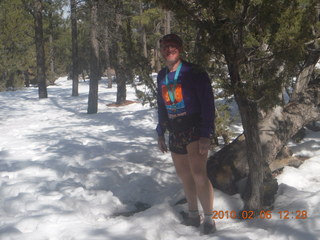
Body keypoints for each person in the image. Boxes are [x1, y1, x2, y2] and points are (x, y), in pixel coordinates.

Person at [155, 33, 216, 234]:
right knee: (184, 175)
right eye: (165, 47)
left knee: (199, 173)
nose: (169, 50)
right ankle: (192, 214)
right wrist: (160, 131)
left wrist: (206, 133)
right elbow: (162, 106)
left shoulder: (194, 71)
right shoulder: (161, 75)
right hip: (175, 130)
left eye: (173, 46)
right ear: (161, 51)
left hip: (195, 128)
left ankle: (209, 219)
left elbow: (208, 103)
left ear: (180, 49)